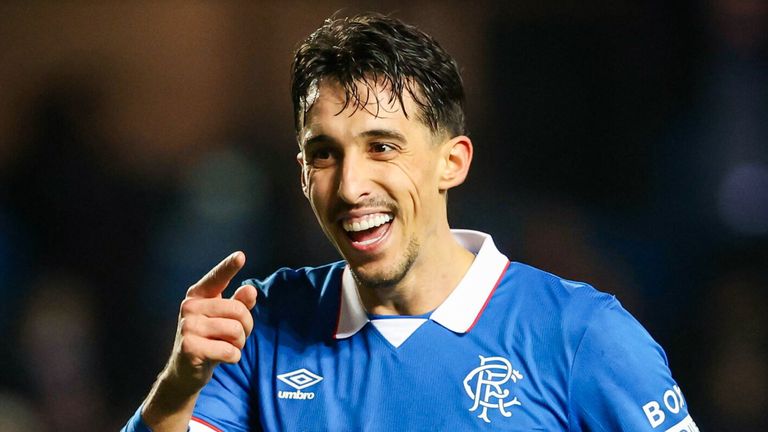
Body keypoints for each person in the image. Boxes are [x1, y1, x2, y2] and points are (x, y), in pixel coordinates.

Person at [123, 13, 697, 431]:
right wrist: (178, 387)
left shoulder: (580, 334)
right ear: (302, 171)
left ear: (453, 162)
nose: (350, 187)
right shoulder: (258, 326)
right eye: (325, 153)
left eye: (382, 147)